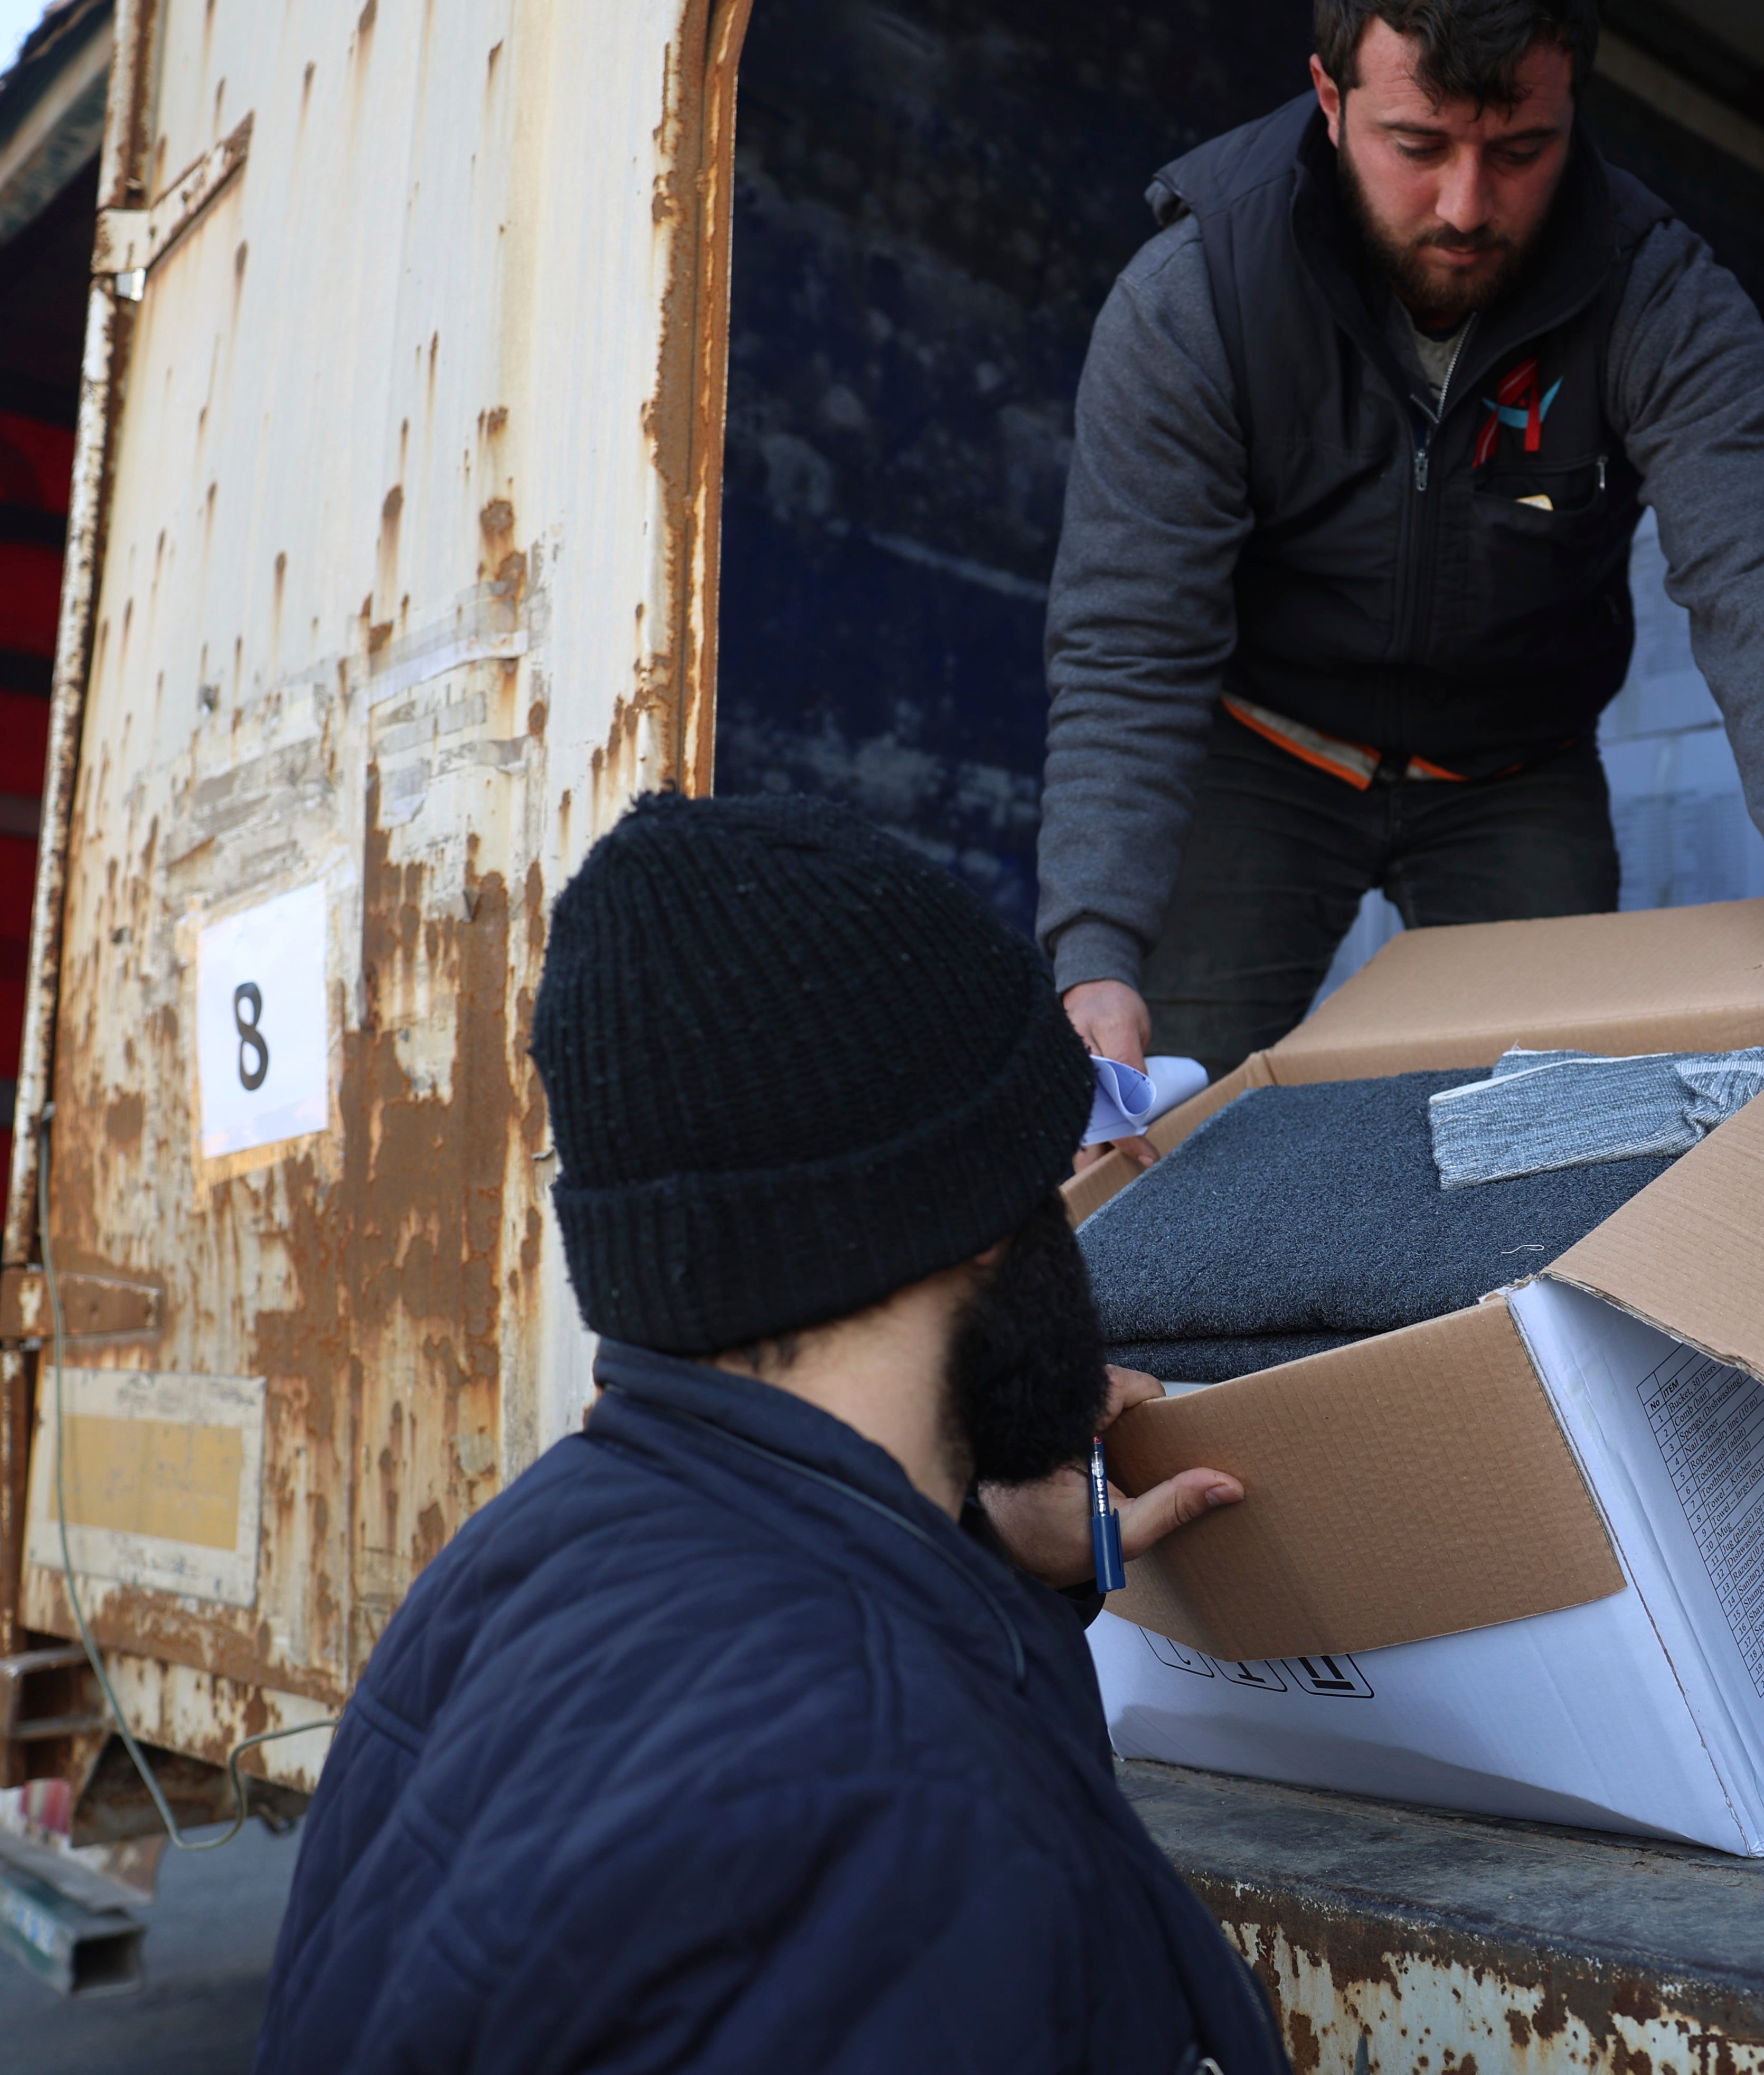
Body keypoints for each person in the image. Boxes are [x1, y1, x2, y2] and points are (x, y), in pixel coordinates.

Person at [252, 792, 1283, 2075]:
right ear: (971, 1209)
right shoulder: (902, 1812)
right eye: (1044, 1172)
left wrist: (974, 1574)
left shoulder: (504, 1573)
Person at [1041, 0, 1764, 1140]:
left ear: (1572, 104)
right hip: (1262, 759)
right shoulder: (1198, 299)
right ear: (1328, 98)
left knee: (1550, 1147)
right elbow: (1132, 637)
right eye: (1417, 145)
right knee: (1152, 1139)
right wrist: (1094, 946)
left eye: (1522, 149)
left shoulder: (1661, 296)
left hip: (1513, 780)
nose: (1467, 207)